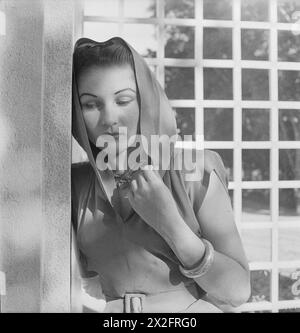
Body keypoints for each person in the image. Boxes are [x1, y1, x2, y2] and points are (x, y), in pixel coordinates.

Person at [71, 36, 250, 313]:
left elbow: (237, 292)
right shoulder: (75, 186)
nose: (109, 119)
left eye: (124, 100)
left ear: (147, 101)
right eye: (91, 104)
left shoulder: (194, 170)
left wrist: (168, 222)